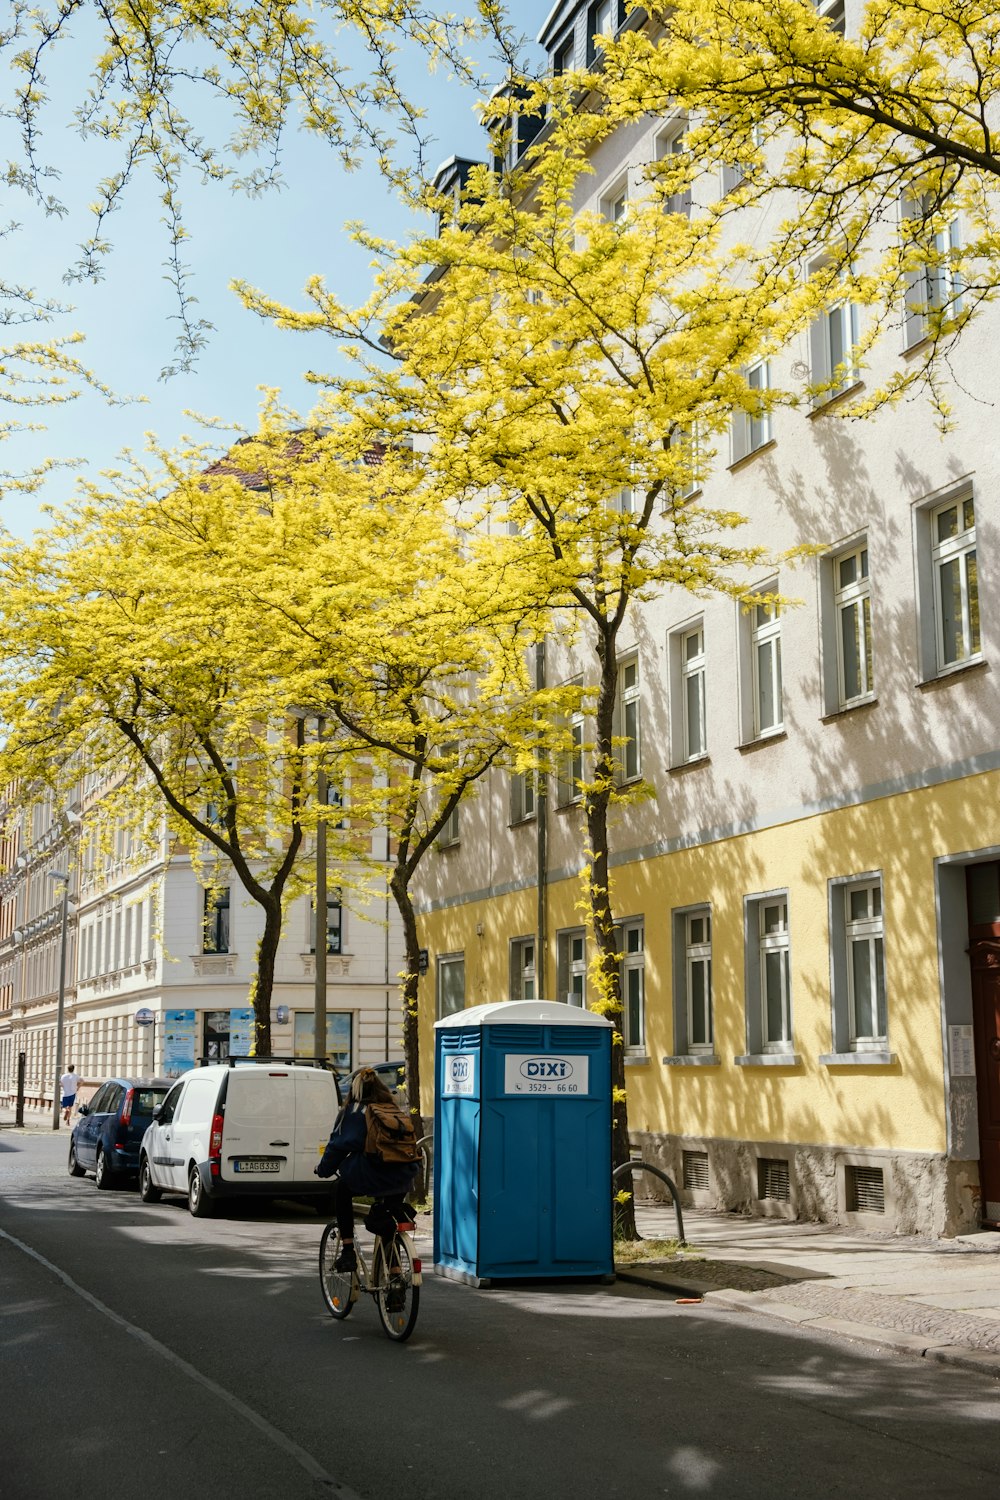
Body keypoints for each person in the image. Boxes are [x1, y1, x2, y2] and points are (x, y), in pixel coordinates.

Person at [315, 1068, 417, 1273]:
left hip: (372, 1175)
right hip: (404, 1175)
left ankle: (347, 1251)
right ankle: (395, 1272)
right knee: (387, 1217)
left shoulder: (353, 1112)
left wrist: (323, 1169)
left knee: (341, 1189)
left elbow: (337, 1147)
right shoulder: (391, 1109)